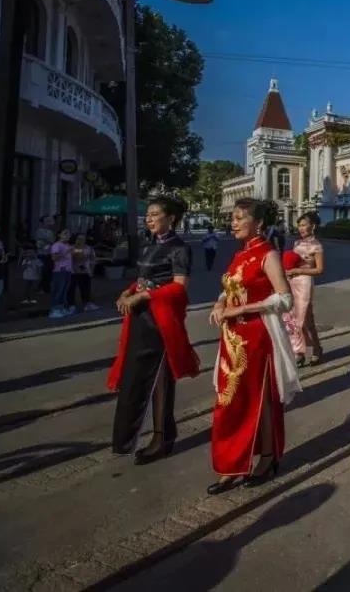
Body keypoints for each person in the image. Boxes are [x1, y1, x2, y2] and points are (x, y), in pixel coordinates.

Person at [206, 198, 299, 494]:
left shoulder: (267, 254)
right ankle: (233, 462)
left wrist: (240, 311)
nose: (233, 222)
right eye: (232, 217)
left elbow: (285, 299)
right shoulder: (238, 255)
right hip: (232, 337)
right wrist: (220, 303)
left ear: (257, 223)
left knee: (256, 400)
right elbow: (229, 286)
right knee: (229, 402)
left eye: (239, 218)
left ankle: (267, 457)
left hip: (256, 338)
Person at [108, 196, 200, 464]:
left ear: (171, 218)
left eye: (154, 214)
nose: (148, 219)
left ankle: (162, 437)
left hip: (160, 320)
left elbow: (179, 286)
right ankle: (131, 438)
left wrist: (143, 297)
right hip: (140, 319)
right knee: (135, 378)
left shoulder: (180, 248)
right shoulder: (150, 246)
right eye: (147, 214)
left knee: (159, 378)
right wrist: (127, 293)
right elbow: (142, 281)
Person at [287, 212, 325, 366]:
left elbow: (319, 269)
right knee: (292, 319)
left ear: (313, 226)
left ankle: (317, 349)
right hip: (292, 282)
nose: (301, 228)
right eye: (299, 225)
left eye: (304, 225)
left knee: (305, 320)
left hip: (305, 283)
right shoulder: (296, 244)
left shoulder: (317, 246)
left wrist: (299, 271)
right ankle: (299, 352)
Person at [48, 229, 75, 318]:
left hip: (68, 270)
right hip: (60, 270)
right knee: (58, 290)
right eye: (65, 233)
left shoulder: (67, 245)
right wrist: (66, 252)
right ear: (59, 235)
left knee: (64, 291)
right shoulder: (57, 245)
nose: (67, 236)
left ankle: (62, 308)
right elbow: (54, 258)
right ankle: (54, 310)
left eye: (69, 234)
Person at [70, 233, 97, 312]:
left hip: (86, 271)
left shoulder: (89, 248)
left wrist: (91, 269)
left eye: (83, 239)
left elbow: (93, 259)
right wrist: (79, 248)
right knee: (72, 288)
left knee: (86, 288)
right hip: (74, 271)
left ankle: (87, 304)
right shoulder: (73, 248)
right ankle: (71, 305)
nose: (81, 240)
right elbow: (78, 257)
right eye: (79, 238)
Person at [34, 215, 55, 294]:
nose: (49, 223)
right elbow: (40, 243)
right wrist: (47, 241)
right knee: (44, 271)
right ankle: (43, 288)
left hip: (49, 253)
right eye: (47, 221)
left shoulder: (50, 232)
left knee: (49, 271)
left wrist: (47, 241)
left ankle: (45, 287)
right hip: (42, 254)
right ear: (43, 222)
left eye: (49, 221)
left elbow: (52, 241)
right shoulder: (39, 231)